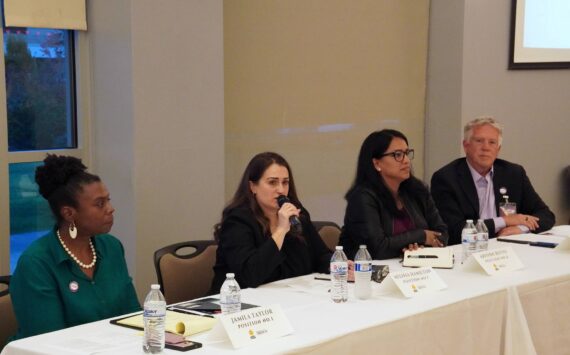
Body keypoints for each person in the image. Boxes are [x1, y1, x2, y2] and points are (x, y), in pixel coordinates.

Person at [10, 155, 140, 340]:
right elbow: (47, 342)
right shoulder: (36, 264)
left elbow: (133, 315)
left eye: (108, 200)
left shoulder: (111, 247)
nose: (111, 209)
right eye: (100, 204)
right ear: (69, 213)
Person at [210, 152, 335, 293]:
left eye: (285, 182)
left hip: (288, 298)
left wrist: (338, 265)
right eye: (272, 182)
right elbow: (249, 275)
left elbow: (320, 256)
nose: (281, 190)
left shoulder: (296, 214)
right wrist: (281, 231)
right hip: (238, 304)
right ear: (253, 187)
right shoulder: (237, 221)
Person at [430, 116, 555, 245]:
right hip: (469, 250)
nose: (486, 148)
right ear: (466, 145)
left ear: (498, 149)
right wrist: (505, 221)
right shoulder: (446, 178)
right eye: (479, 141)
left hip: (508, 248)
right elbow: (453, 231)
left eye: (492, 142)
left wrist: (520, 228)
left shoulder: (514, 174)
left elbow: (546, 215)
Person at [339, 129, 448, 260]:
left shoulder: (418, 190)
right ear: (377, 163)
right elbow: (377, 249)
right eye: (397, 154)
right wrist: (421, 236)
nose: (406, 160)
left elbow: (442, 234)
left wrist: (416, 247)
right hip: (366, 274)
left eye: (407, 153)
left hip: (413, 269)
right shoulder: (362, 198)